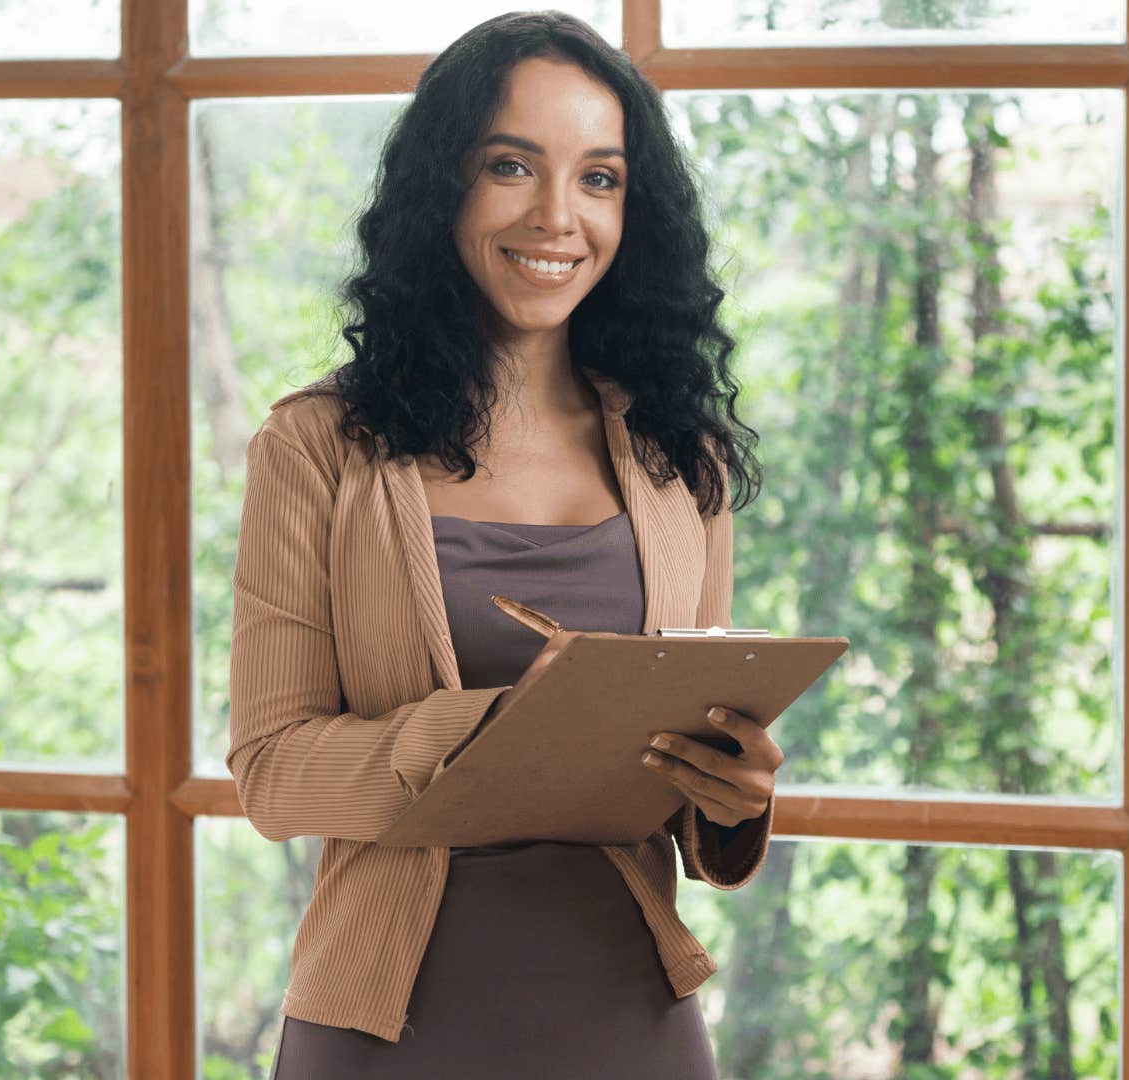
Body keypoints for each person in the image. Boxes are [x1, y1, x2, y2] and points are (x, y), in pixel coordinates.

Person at [226, 10, 781, 1078]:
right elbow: (273, 770)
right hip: (384, 1029)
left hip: (630, 1019)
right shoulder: (317, 448)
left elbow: (679, 769)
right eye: (512, 166)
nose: (557, 216)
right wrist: (493, 733)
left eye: (600, 178)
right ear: (445, 184)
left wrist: (734, 797)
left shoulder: (681, 458)